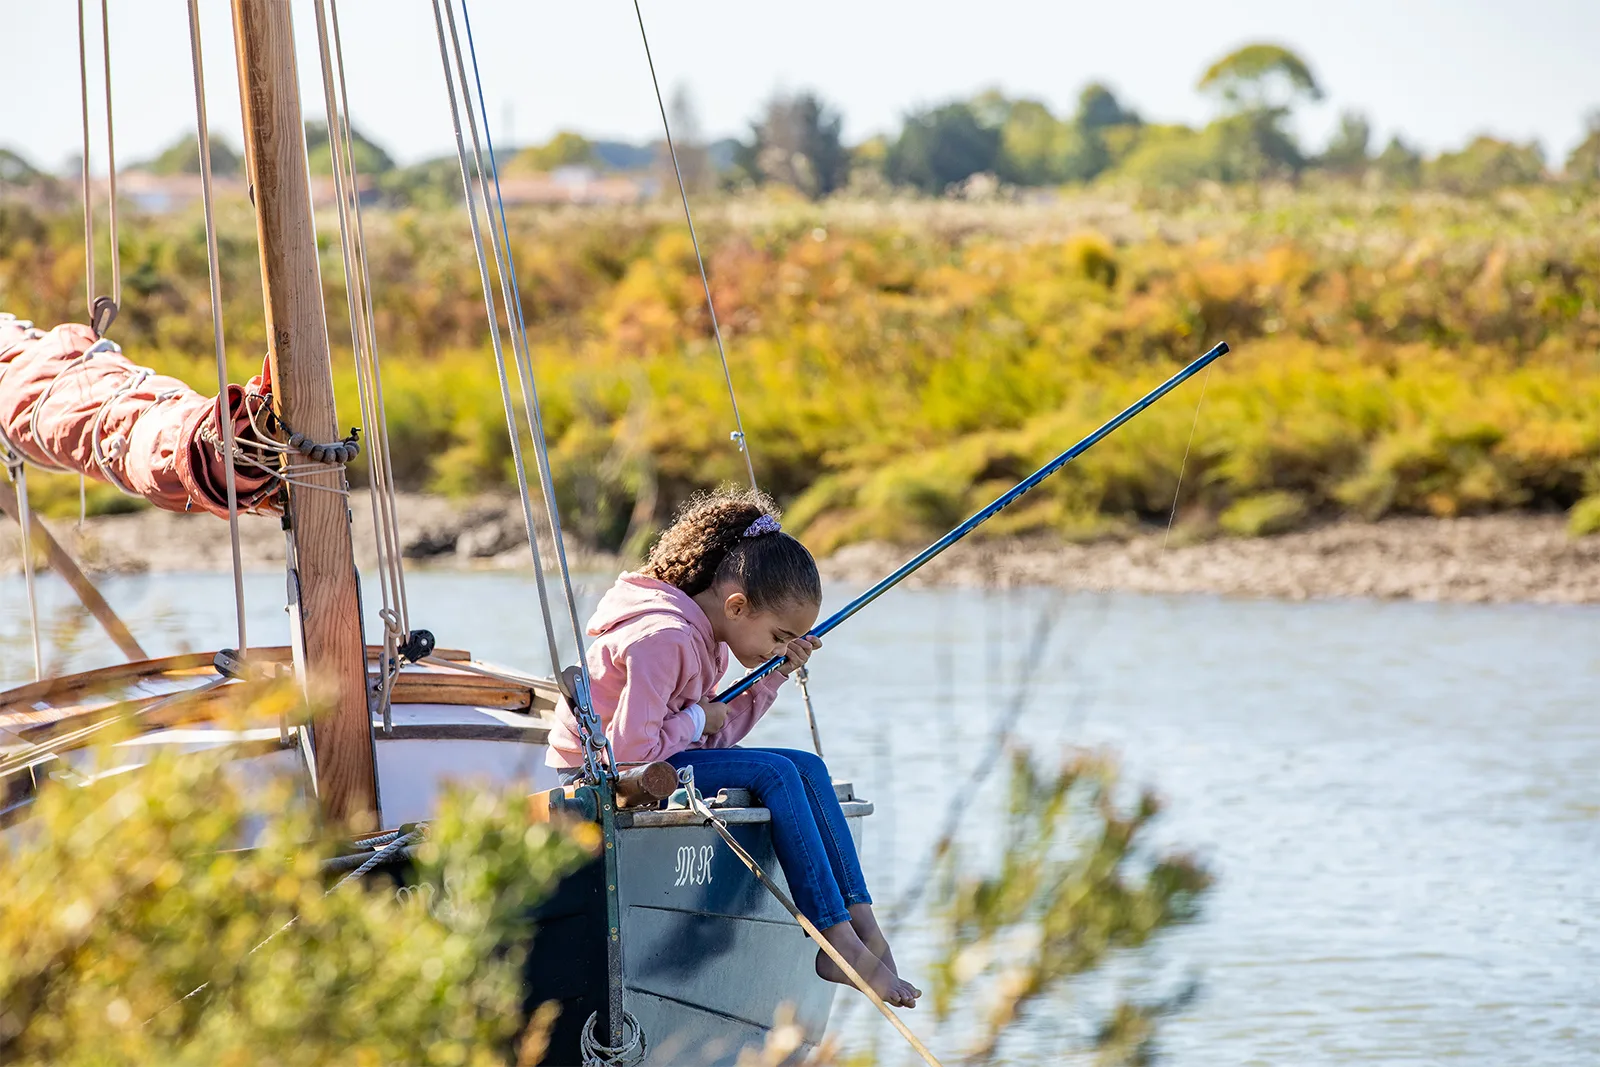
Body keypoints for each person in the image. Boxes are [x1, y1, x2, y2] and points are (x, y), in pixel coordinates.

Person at [547, 487, 920, 1008]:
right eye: (778, 637)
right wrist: (699, 715)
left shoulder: (706, 640)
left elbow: (711, 739)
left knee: (804, 766)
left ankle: (863, 928)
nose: (779, 649)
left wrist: (770, 679)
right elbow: (633, 752)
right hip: (602, 775)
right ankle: (833, 939)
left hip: (651, 759)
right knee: (775, 774)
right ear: (737, 605)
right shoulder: (665, 637)